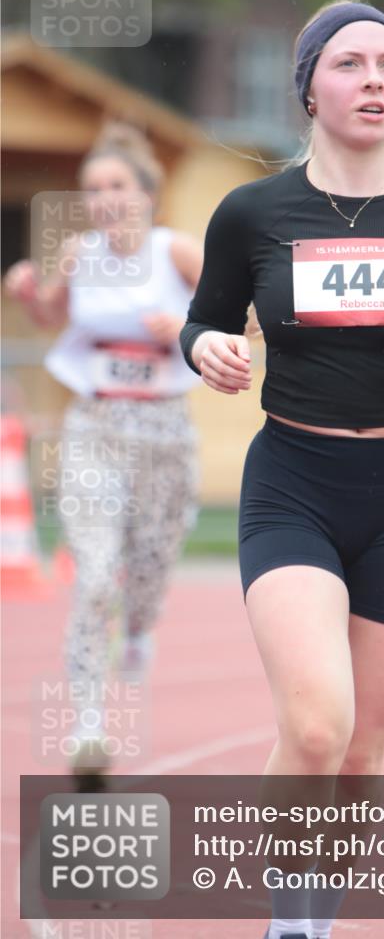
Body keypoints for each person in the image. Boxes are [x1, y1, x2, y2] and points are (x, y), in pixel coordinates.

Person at [180, 0, 384, 939]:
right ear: (308, 90)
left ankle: (315, 921)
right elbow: (202, 320)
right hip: (292, 485)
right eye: (349, 64)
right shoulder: (252, 212)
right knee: (317, 728)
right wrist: (207, 348)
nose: (374, 81)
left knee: (362, 752)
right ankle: (287, 926)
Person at [4, 122, 203, 784]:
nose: (103, 199)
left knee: (148, 566)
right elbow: (50, 317)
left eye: (116, 185)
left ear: (146, 193)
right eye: (92, 190)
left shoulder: (177, 252)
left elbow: (249, 313)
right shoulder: (79, 254)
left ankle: (140, 628)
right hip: (93, 427)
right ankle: (88, 726)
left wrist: (188, 327)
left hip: (165, 433)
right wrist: (29, 291)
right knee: (93, 577)